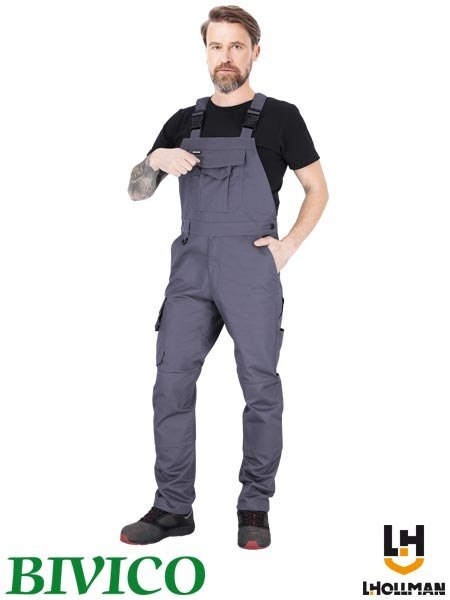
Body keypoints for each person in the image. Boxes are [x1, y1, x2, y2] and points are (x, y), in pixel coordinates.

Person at [121, 5, 328, 550]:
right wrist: (156, 158)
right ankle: (172, 507)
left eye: (237, 46)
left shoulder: (281, 117)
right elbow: (137, 192)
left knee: (260, 386)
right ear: (206, 52)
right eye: (217, 46)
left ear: (255, 51)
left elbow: (318, 189)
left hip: (251, 267)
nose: (226, 57)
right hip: (190, 268)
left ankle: (254, 505)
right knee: (170, 384)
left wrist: (287, 246)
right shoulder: (182, 122)